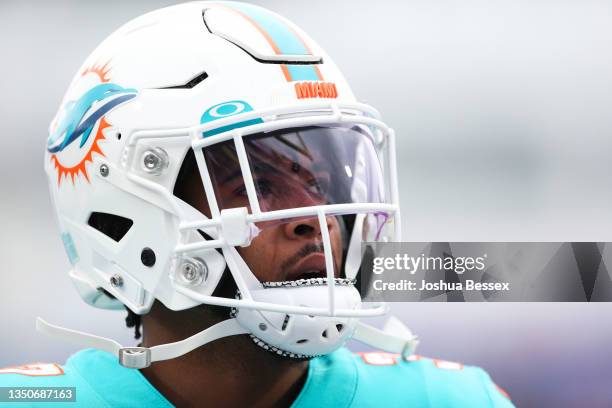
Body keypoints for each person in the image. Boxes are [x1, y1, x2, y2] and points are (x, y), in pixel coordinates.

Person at [0, 2, 514, 407]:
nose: (319, 220)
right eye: (258, 184)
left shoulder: (449, 401)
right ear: (127, 217)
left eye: (323, 183)